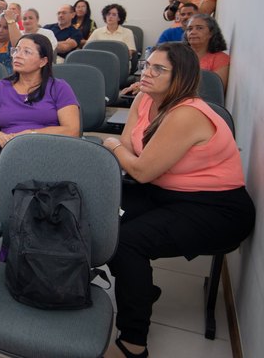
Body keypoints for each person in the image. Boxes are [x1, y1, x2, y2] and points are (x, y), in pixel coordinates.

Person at [101, 42, 253, 358]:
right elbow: (131, 144)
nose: (147, 73)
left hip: (216, 207)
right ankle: (141, 289)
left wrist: (112, 144)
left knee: (128, 241)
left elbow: (139, 168)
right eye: (147, 65)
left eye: (159, 69)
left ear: (180, 77)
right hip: (166, 191)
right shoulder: (145, 98)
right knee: (105, 216)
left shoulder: (186, 113)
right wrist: (122, 147)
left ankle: (133, 343)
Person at [0, 34, 80, 224]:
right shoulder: (1, 87)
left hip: (48, 157)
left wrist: (30, 135)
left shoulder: (59, 88)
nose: (17, 55)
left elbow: (72, 130)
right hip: (10, 157)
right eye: (16, 50)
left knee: (36, 210)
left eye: (26, 51)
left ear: (43, 61)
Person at [185, 14, 231, 89]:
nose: (193, 32)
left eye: (199, 28)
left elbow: (216, 89)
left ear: (211, 33)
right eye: (189, 29)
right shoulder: (179, 55)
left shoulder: (220, 58)